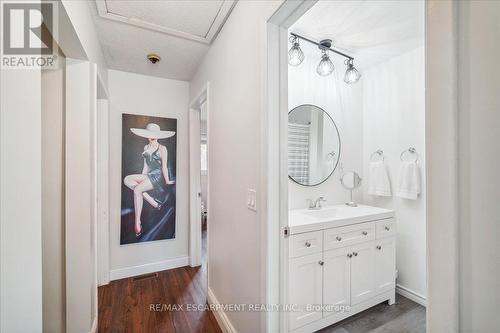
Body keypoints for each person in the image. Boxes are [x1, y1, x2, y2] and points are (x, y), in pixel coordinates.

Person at [123, 123, 175, 237]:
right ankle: (153, 202)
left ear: (158, 136)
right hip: (148, 175)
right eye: (150, 134)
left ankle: (137, 222)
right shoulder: (145, 148)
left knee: (137, 190)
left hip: (158, 177)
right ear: (146, 135)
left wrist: (167, 181)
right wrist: (141, 180)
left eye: (154, 134)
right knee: (127, 179)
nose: (152, 136)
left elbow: (164, 167)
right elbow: (145, 166)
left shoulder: (162, 148)